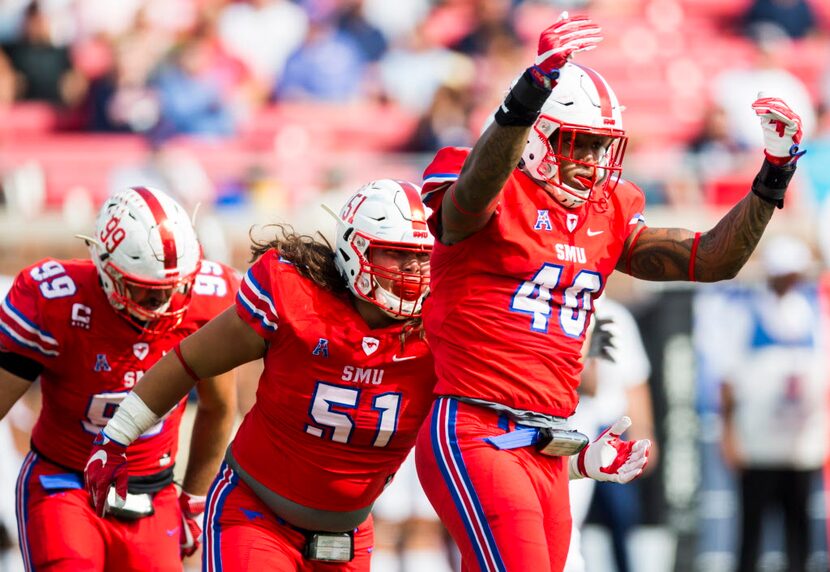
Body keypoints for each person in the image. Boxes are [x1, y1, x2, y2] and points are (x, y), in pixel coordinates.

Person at [82, 178, 649, 572]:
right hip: (255, 515)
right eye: (397, 256)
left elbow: (483, 448)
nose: (415, 271)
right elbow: (188, 362)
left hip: (349, 536)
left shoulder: (443, 331)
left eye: (423, 257)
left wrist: (576, 463)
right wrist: (116, 436)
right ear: (355, 253)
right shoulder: (295, 299)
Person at [413, 11, 806, 572]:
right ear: (534, 136)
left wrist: (774, 174)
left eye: (602, 147)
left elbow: (712, 259)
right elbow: (463, 209)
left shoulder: (608, 210)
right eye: (577, 142)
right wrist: (529, 94)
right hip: (476, 425)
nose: (593, 162)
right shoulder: (485, 180)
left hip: (549, 441)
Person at [0, 186, 240, 570]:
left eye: (174, 289)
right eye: (146, 292)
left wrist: (194, 498)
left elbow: (219, 406)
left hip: (154, 490)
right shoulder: (57, 299)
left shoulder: (207, 300)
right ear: (107, 269)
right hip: (65, 483)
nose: (163, 305)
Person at [719, 235, 825, 572]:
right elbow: (728, 383)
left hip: (801, 448)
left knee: (799, 531)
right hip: (757, 447)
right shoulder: (746, 315)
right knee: (751, 532)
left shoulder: (811, 314)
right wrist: (730, 437)